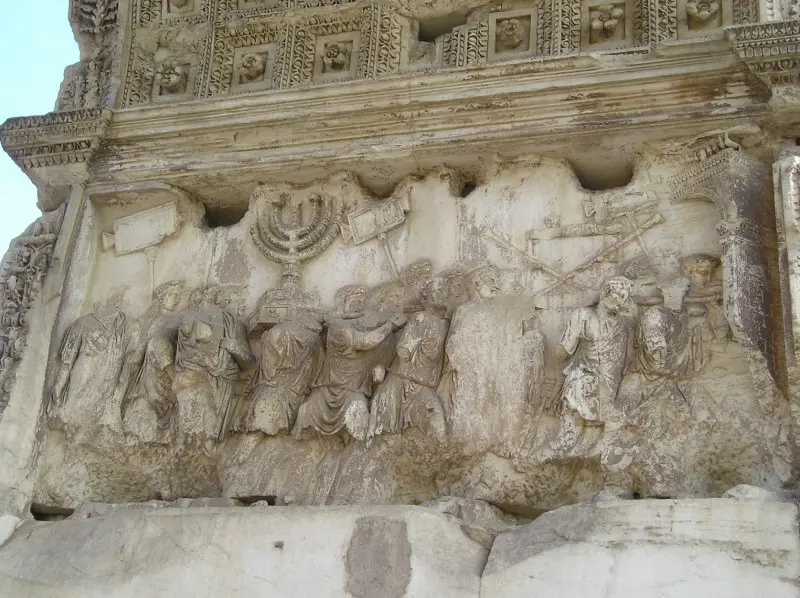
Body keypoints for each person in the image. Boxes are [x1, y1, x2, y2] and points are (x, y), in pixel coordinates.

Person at [293, 285, 404, 441]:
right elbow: (364, 342)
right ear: (343, 303)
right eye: (354, 300)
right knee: (306, 414)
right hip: (329, 390)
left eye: (362, 301)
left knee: (358, 414)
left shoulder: (357, 324)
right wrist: (390, 325)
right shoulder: (337, 328)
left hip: (353, 389)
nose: (359, 305)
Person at [546, 276, 634, 458]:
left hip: (602, 383)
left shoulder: (623, 326)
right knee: (575, 389)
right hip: (591, 378)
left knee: (575, 390)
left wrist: (553, 351)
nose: (619, 301)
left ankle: (569, 442)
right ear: (604, 294)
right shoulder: (584, 316)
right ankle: (567, 440)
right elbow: (565, 350)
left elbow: (564, 350)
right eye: (616, 296)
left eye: (623, 297)